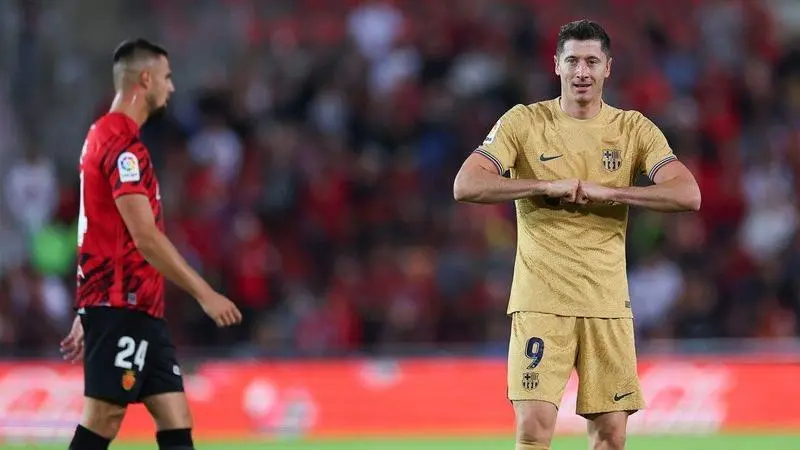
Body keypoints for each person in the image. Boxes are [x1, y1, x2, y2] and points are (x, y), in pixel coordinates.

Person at [453, 20, 701, 450]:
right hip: (541, 301)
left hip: (606, 302)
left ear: (608, 67)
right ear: (556, 66)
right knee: (533, 429)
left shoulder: (632, 129)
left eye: (591, 61)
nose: (581, 71)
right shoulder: (524, 122)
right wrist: (542, 186)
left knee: (611, 435)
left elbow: (688, 193)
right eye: (572, 61)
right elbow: (466, 184)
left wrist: (614, 192)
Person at [59, 38, 242, 450]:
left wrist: (88, 304)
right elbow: (145, 237)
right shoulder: (124, 145)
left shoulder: (100, 135)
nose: (172, 87)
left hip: (135, 303)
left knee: (175, 416)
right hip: (123, 304)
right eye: (167, 77)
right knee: (104, 417)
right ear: (146, 79)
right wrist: (205, 293)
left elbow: (98, 228)